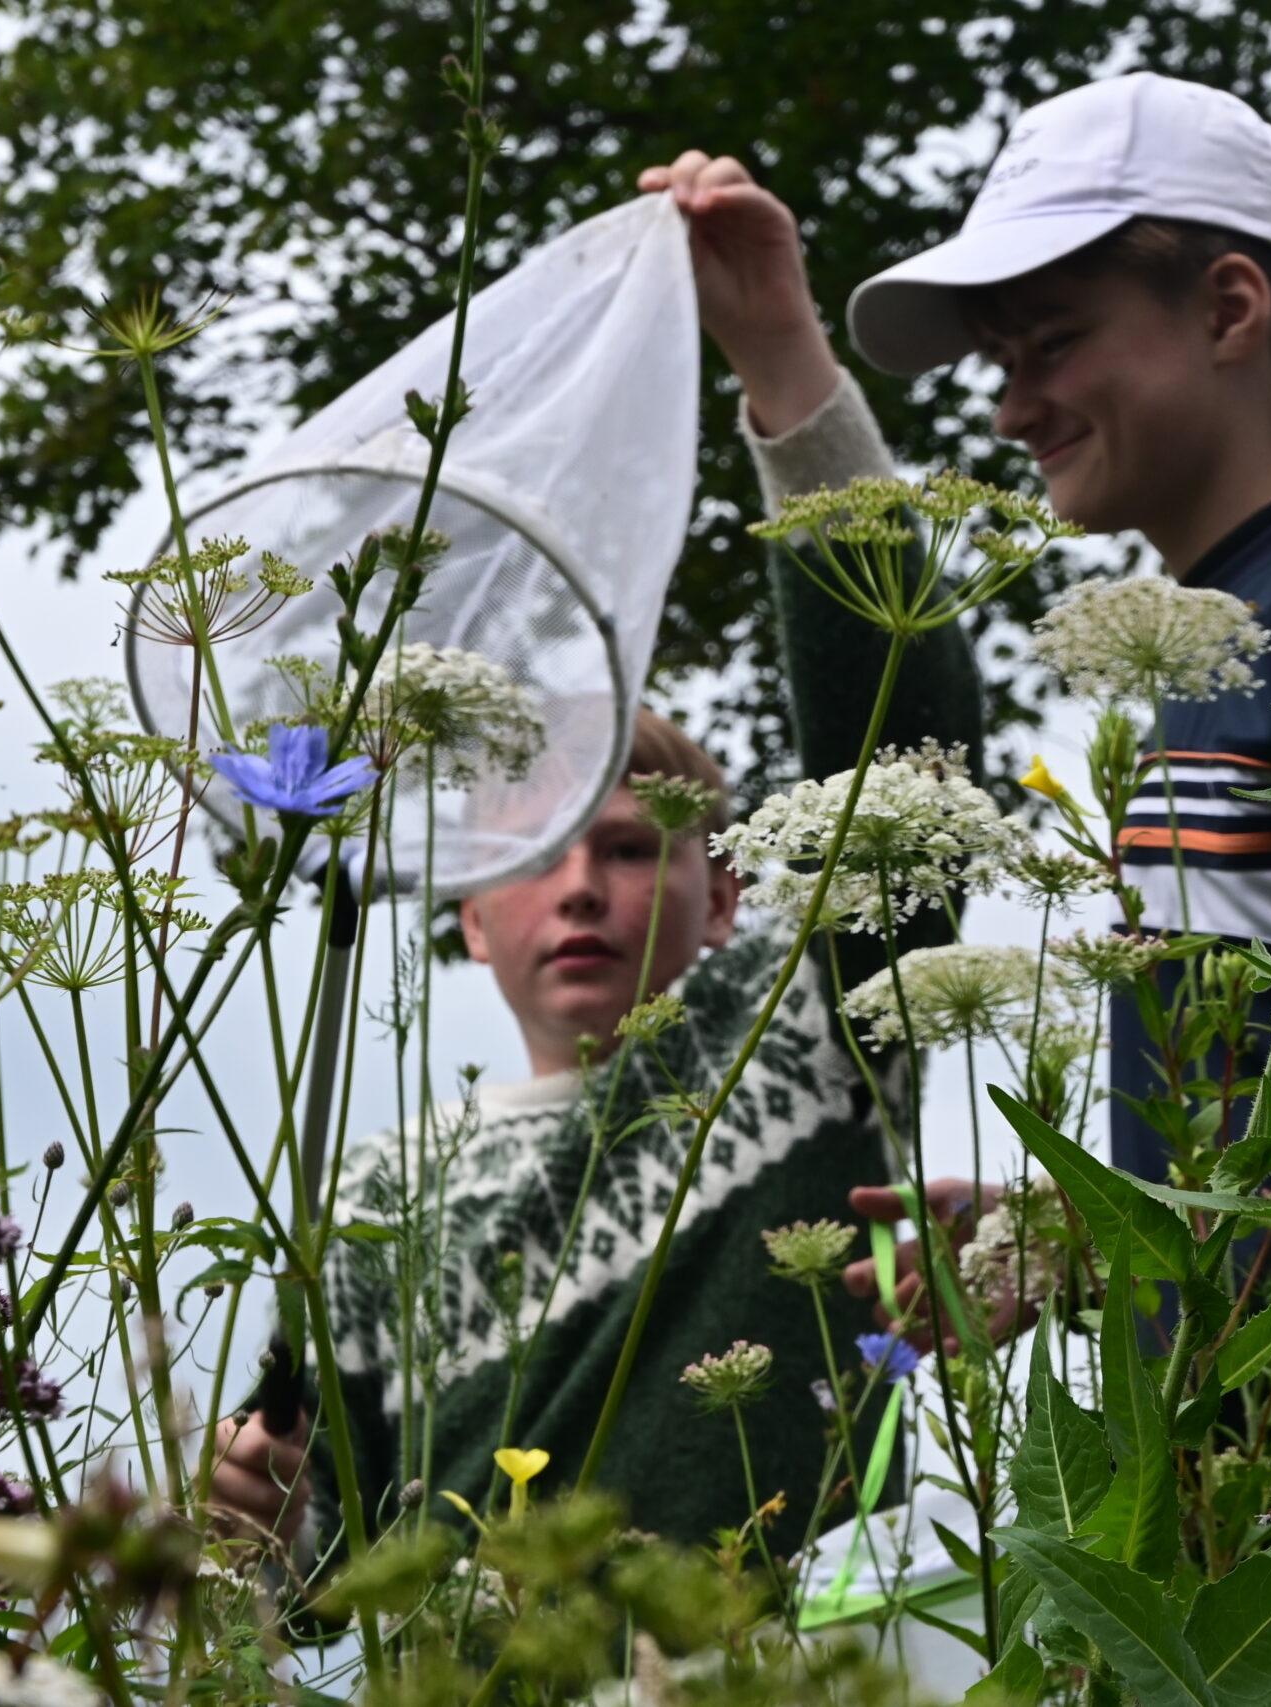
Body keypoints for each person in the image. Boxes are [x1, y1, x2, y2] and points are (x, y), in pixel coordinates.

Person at [640, 69, 1271, 1700]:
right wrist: (1075, 1238)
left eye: (1051, 343)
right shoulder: (1212, 644)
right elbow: (1269, 1134)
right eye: (1002, 365)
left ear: (1230, 306)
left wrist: (1145, 1243)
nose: (1012, 406)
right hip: (1245, 1566)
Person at [208, 325, 986, 1563]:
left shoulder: (800, 1032)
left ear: (725, 901)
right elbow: (323, 1563)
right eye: (533, 853)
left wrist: (781, 355)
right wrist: (256, 1518)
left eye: (632, 847)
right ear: (466, 907)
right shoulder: (367, 1194)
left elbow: (906, 758)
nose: (579, 888)